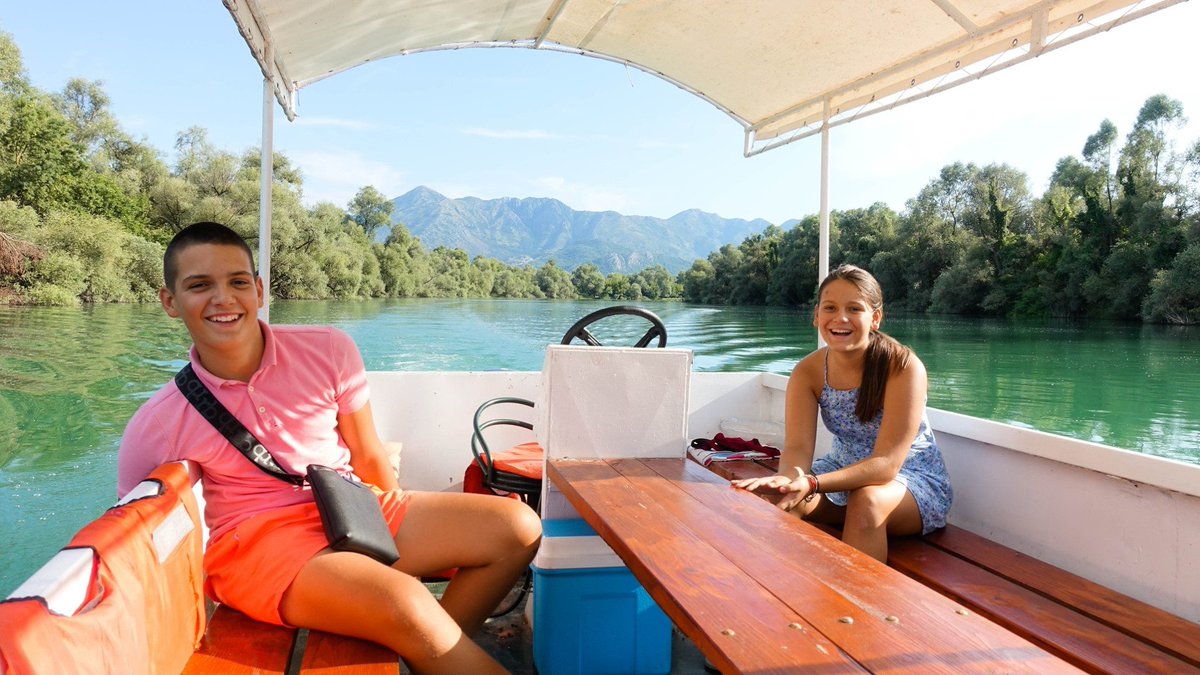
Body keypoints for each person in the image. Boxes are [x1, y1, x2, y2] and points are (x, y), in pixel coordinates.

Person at [118, 221, 541, 674]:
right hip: (257, 544)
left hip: (348, 507)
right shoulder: (157, 422)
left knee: (516, 526)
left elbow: (368, 454)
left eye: (238, 281)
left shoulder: (329, 350)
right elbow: (139, 534)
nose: (223, 298)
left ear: (259, 291)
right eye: (199, 285)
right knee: (404, 601)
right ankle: (430, 644)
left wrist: (389, 546)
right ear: (170, 302)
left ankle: (430, 655)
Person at [732, 264, 951, 562]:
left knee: (866, 502)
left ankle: (858, 606)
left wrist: (811, 482)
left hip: (906, 482)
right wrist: (789, 479)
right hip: (839, 473)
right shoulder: (808, 371)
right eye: (830, 308)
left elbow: (886, 465)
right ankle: (779, 595)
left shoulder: (903, 367)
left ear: (875, 318)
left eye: (854, 309)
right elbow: (797, 448)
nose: (840, 318)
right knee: (779, 498)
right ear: (817, 315)